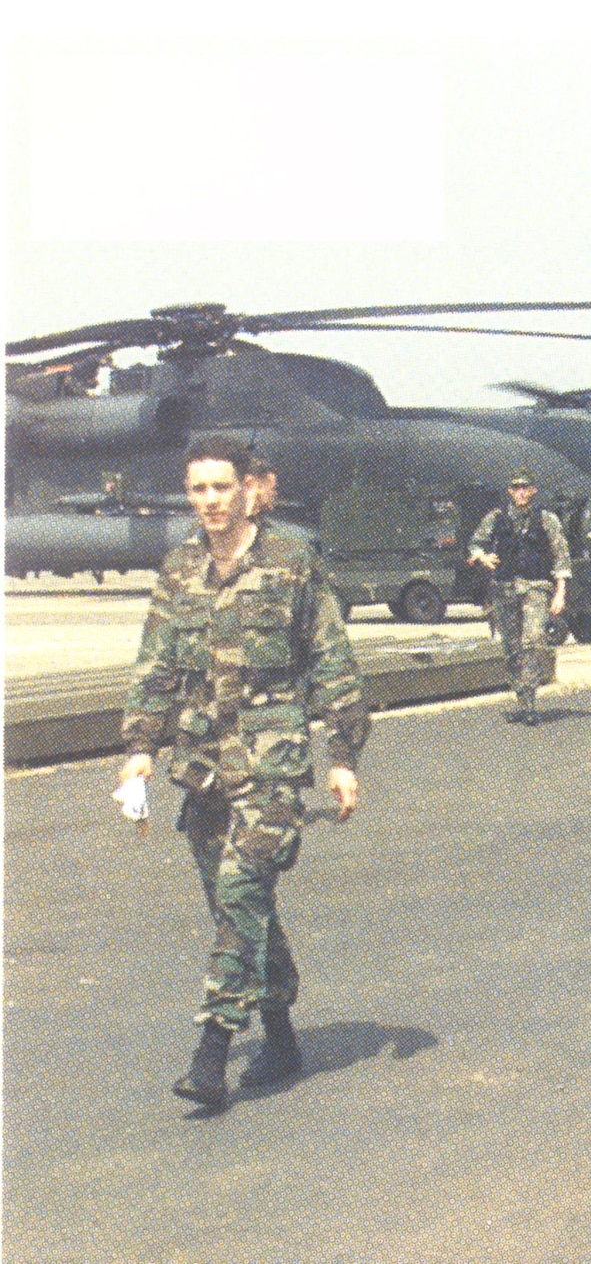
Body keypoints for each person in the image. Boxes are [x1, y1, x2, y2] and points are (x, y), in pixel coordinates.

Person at [119, 434, 368, 1108]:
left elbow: (331, 661)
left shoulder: (292, 561)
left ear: (248, 488)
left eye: (220, 487)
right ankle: (282, 1032)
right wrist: (140, 746)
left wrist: (342, 757)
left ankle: (211, 1052)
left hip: (272, 766)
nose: (209, 501)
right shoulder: (179, 568)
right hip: (201, 765)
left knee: (240, 895)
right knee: (240, 905)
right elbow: (155, 663)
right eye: (197, 489)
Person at [468, 471, 571, 724]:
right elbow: (474, 543)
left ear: (534, 490)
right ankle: (523, 695)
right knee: (512, 648)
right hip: (504, 589)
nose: (521, 492)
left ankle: (531, 699)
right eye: (516, 488)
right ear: (510, 492)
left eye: (526, 488)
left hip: (535, 586)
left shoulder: (546, 519)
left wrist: (560, 592)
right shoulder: (496, 518)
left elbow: (561, 556)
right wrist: (483, 557)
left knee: (533, 639)